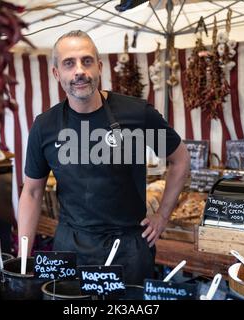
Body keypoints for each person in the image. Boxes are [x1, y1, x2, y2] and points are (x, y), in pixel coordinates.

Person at [18, 30, 189, 285]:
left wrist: (162, 216)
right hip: (70, 249)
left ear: (99, 67)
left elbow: (180, 159)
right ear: (56, 73)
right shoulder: (44, 126)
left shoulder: (137, 114)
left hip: (129, 249)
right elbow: (31, 192)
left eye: (86, 61)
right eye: (69, 63)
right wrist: (23, 259)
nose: (79, 71)